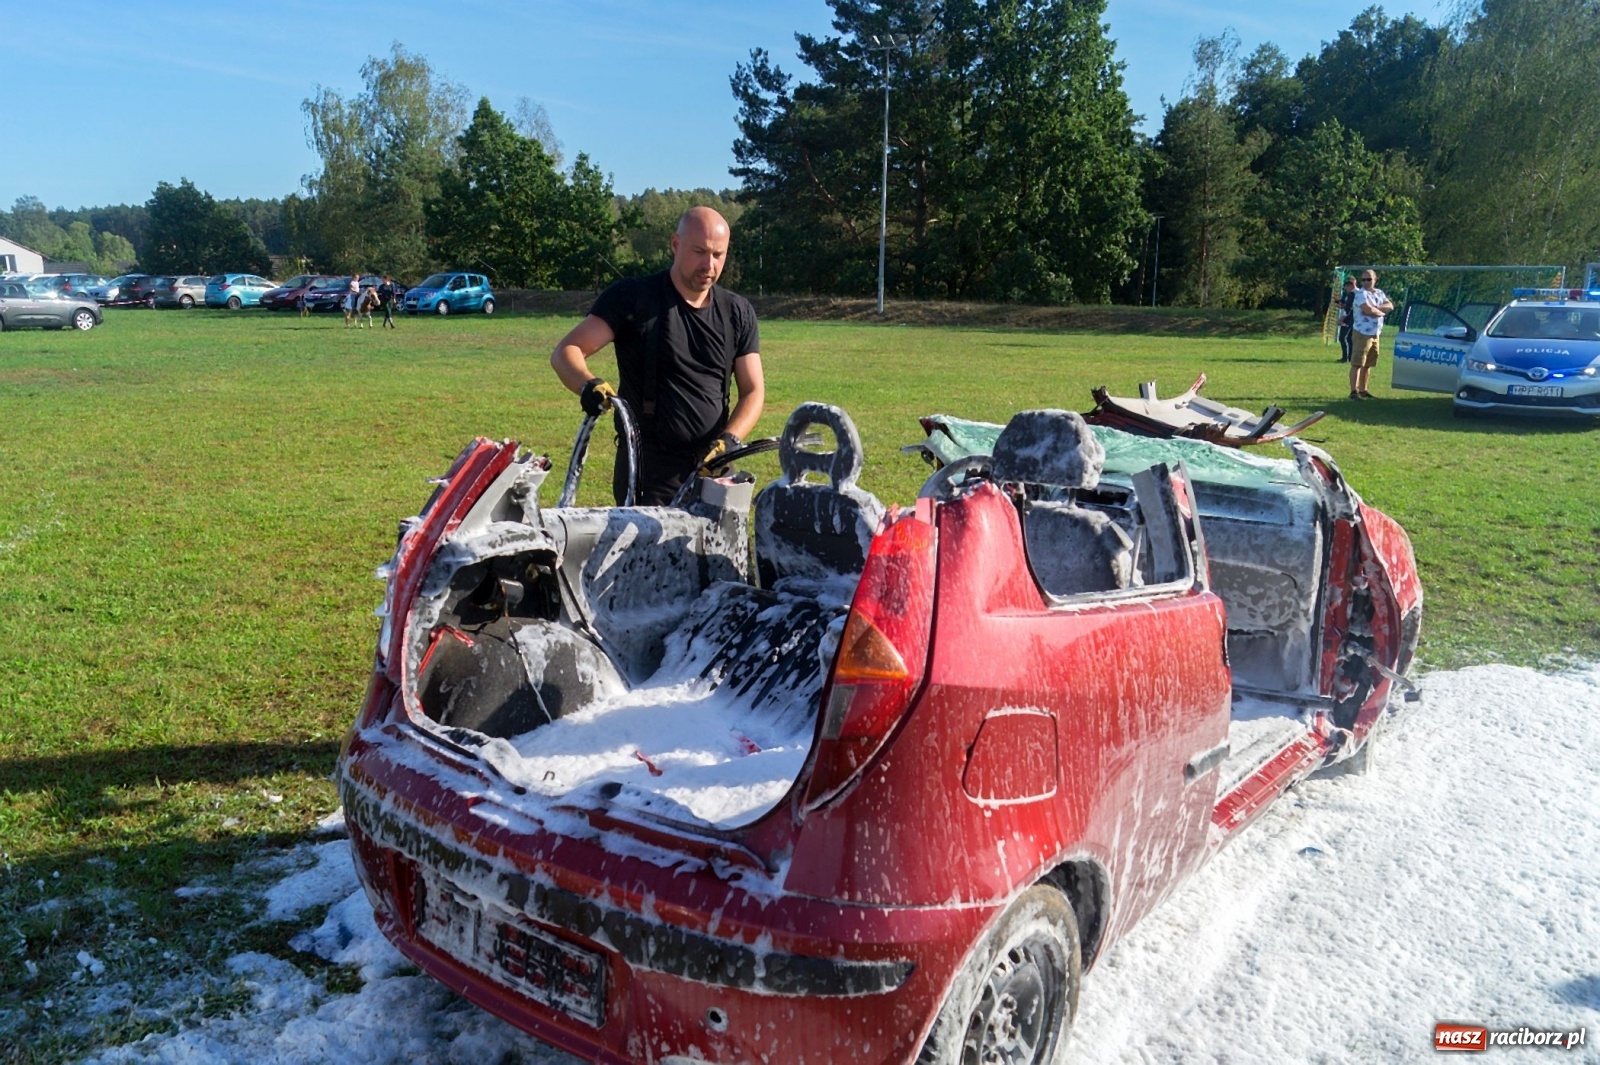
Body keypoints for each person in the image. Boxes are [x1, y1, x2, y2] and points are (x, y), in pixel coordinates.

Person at [551, 206, 765, 506]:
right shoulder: (633, 298)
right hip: (648, 475)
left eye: (718, 255)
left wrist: (728, 441)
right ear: (675, 245)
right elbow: (566, 352)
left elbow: (753, 391)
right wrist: (588, 385)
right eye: (699, 252)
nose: (709, 264)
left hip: (714, 472)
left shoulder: (737, 312)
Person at [1349, 270, 1394, 400]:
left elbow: (1390, 305)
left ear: (1375, 279)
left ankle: (1363, 390)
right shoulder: (1360, 294)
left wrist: (1376, 310)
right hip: (1362, 332)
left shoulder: (1379, 293)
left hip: (1375, 333)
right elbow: (1367, 310)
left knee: (1368, 363)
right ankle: (1353, 392)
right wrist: (1381, 312)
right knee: (1357, 363)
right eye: (1363, 280)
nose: (1366, 282)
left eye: (1369, 279)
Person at [1336, 275, 1356, 363]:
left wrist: (1341, 319)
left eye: (1348, 285)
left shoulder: (1354, 294)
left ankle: (1345, 358)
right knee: (1349, 338)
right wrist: (1340, 303)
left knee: (1342, 337)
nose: (1346, 287)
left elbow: (1349, 308)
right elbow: (1346, 304)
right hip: (1350, 318)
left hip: (1349, 318)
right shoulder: (1349, 294)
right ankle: (1349, 357)